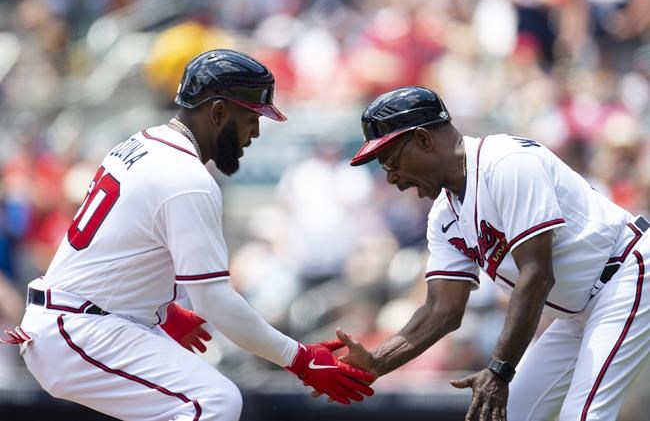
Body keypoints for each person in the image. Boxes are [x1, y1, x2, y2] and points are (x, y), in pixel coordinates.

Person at [1, 49, 374, 421]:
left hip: (84, 318)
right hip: (81, 327)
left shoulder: (141, 143)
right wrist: (301, 358)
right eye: (251, 117)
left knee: (202, 400)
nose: (256, 131)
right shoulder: (187, 178)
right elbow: (215, 302)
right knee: (214, 402)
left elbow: (128, 246)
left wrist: (162, 309)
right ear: (217, 112)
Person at [338, 85, 649, 420]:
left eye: (391, 160)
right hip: (578, 309)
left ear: (424, 140)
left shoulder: (505, 163)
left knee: (584, 414)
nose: (392, 178)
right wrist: (375, 362)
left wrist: (500, 370)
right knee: (510, 414)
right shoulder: (444, 216)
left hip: (627, 272)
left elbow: (537, 274)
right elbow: (443, 309)